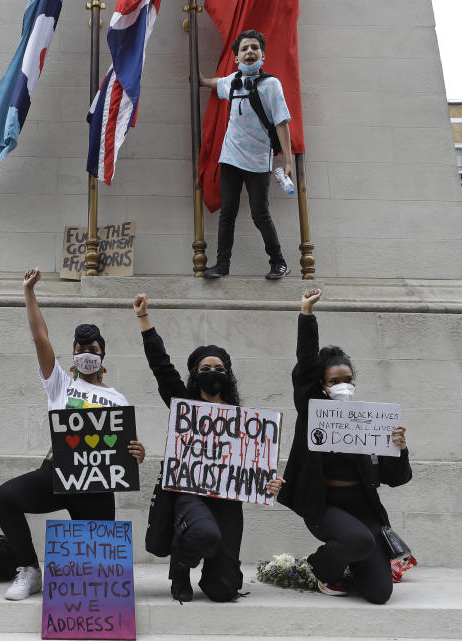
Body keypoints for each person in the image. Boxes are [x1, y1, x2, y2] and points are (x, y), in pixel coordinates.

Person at [0, 269, 146, 601]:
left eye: (92, 347)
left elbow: (125, 445)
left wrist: (137, 451)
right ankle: (30, 570)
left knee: (97, 570)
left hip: (97, 485)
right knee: (5, 497)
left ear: (101, 354)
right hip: (55, 472)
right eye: (80, 348)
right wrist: (28, 292)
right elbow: (40, 337)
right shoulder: (61, 383)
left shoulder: (118, 398)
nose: (86, 352)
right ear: (74, 355)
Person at [134, 293, 283, 603]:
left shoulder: (243, 419)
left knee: (224, 589)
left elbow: (254, 462)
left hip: (227, 501)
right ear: (195, 374)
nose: (212, 372)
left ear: (227, 375)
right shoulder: (184, 404)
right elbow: (162, 368)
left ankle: (212, 570)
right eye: (205, 367)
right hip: (188, 493)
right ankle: (181, 565)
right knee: (205, 534)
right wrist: (144, 320)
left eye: (219, 367)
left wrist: (268, 480)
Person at [276, 289, 411, 604]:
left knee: (379, 593)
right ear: (323, 385)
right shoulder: (312, 411)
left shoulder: (372, 422)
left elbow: (396, 477)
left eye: (347, 379)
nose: (342, 385)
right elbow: (306, 368)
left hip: (363, 511)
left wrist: (399, 448)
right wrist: (306, 315)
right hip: (324, 507)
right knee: (360, 541)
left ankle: (349, 566)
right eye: (334, 381)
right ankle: (317, 568)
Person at [199, 29, 293, 280]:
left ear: (263, 54)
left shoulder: (272, 85)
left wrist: (288, 160)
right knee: (227, 213)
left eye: (254, 47)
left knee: (259, 213)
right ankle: (222, 266)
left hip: (258, 160)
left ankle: (279, 262)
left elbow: (282, 123)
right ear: (237, 58)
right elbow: (214, 82)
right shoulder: (232, 81)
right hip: (230, 157)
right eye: (244, 49)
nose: (249, 51)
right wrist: (199, 79)